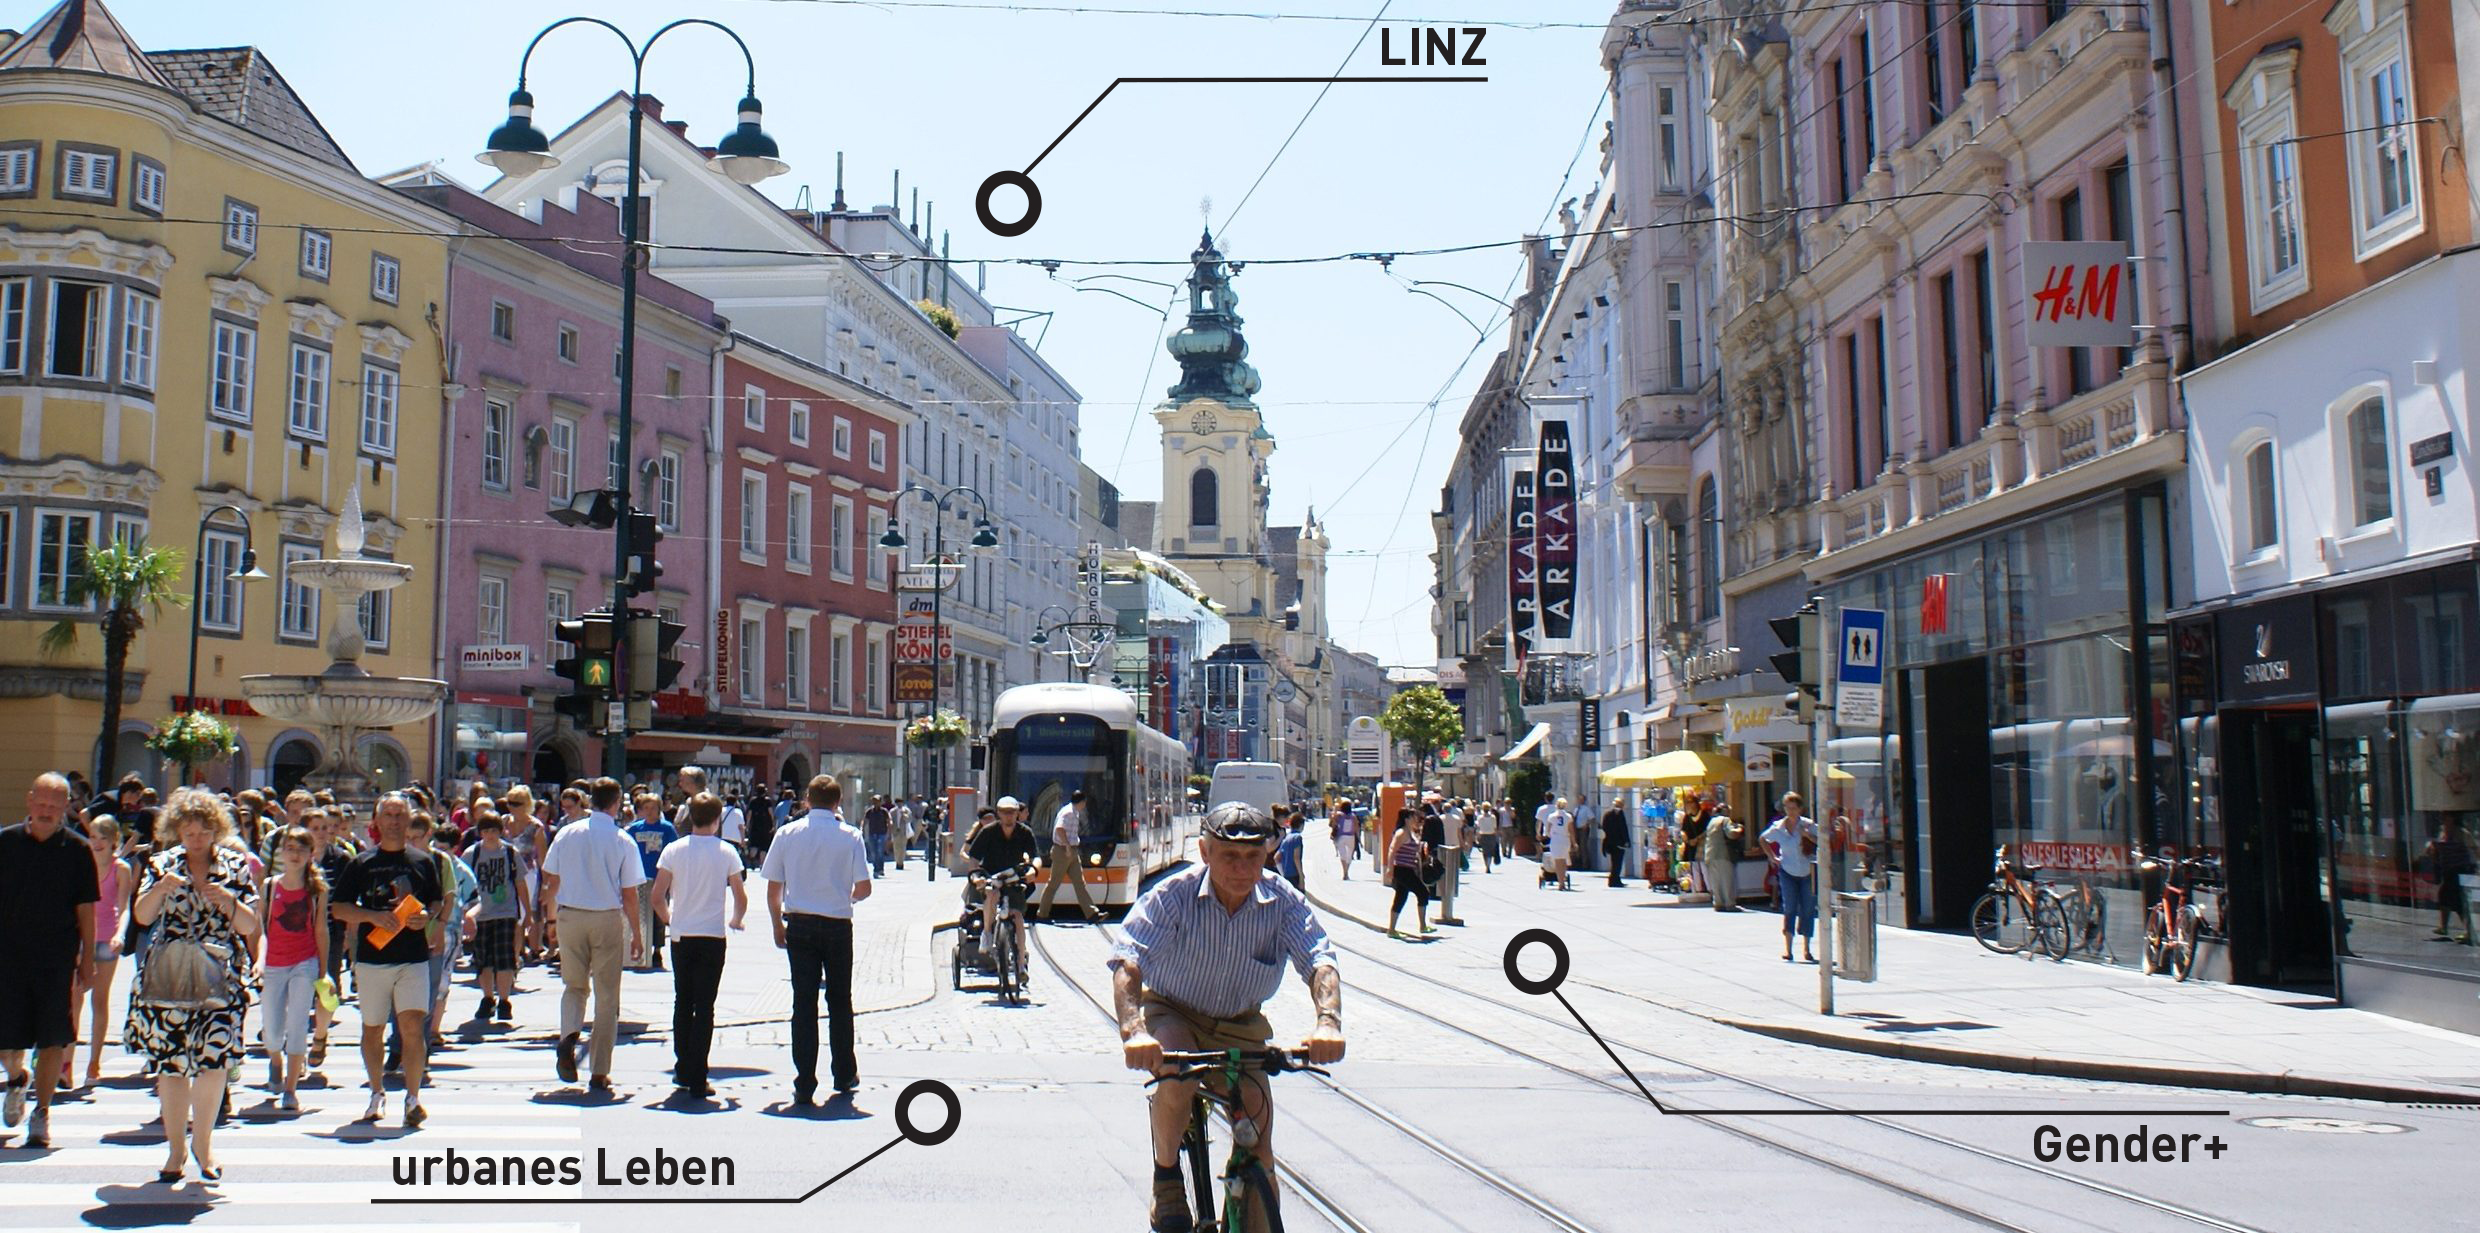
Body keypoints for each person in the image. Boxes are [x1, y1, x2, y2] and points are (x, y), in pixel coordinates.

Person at [1112, 802, 1344, 1233]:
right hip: (1175, 1008)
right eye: (1228, 856)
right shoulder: (1172, 896)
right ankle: (1166, 1178)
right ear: (1204, 852)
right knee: (1176, 1073)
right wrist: (1134, 1032)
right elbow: (1128, 959)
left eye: (1252, 857)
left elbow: (1319, 961)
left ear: (1268, 854)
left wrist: (1328, 1022)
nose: (1241, 867)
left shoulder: (1282, 901)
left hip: (1241, 1020)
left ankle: (1253, 1207)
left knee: (1258, 1132)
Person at [128, 790, 257, 1178]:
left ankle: (204, 1145)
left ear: (215, 830)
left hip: (219, 978)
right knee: (171, 1065)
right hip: (170, 976)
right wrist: (159, 889)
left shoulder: (235, 867)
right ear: (176, 831)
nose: (196, 839)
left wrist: (230, 904)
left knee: (213, 1062)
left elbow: (251, 926)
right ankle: (175, 1151)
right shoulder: (161, 864)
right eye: (188, 832)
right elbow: (141, 916)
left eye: (203, 832)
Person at [328, 794, 444, 1126]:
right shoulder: (362, 863)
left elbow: (436, 901)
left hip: (413, 958)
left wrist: (426, 917)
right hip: (372, 958)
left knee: (411, 1026)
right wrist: (371, 917)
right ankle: (376, 1093)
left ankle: (412, 1098)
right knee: (373, 1028)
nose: (394, 820)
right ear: (377, 822)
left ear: (409, 821)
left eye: (399, 814)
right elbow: (339, 908)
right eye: (388, 814)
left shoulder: (423, 861)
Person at [2, 772, 100, 1149]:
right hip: (7, 957)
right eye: (41, 805)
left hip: (56, 959)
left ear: (65, 809)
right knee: (6, 1044)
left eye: (54, 807)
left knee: (52, 1039)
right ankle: (15, 1079)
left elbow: (86, 911)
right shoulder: (5, 843)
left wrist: (87, 958)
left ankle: (41, 1113)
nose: (46, 812)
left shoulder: (76, 851)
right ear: (29, 801)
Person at [762, 775, 872, 1105]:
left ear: (807, 799)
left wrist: (776, 926)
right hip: (838, 924)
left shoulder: (787, 833)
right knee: (840, 1000)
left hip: (800, 923)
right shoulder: (850, 836)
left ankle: (805, 1080)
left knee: (803, 1003)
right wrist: (845, 897)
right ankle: (843, 1072)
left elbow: (773, 887)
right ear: (838, 802)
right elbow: (864, 887)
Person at [540, 778, 645, 1091]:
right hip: (606, 917)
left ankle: (568, 1035)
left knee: (574, 986)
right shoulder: (622, 839)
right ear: (616, 803)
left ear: (590, 801)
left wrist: (551, 918)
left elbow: (550, 877)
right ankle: (599, 1070)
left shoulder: (567, 832)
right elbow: (630, 893)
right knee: (607, 994)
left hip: (570, 914)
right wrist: (637, 934)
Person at [653, 793, 748, 1099]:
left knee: (683, 1001)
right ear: (718, 819)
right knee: (705, 1007)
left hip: (682, 936)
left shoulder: (674, 850)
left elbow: (658, 895)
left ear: (689, 817)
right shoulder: (727, 851)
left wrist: (669, 919)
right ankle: (699, 1073)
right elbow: (740, 895)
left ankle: (682, 1067)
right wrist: (736, 919)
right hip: (712, 935)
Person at [257, 825, 328, 1110]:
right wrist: (258, 960)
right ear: (281, 853)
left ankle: (290, 1088)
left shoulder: (317, 890)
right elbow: (260, 927)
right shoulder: (270, 886)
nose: (295, 855)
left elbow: (321, 930)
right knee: (272, 1030)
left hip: (304, 962)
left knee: (298, 1023)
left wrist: (324, 971)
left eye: (301, 849)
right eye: (290, 849)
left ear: (311, 854)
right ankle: (276, 1060)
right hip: (273, 963)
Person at [67, 814, 132, 1091]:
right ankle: (67, 1064)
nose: (96, 843)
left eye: (102, 838)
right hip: (82, 939)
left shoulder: (121, 869)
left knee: (100, 1000)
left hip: (107, 940)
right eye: (92, 837)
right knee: (74, 997)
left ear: (113, 840)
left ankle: (94, 1061)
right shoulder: (83, 863)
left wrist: (120, 933)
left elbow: (125, 905)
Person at [964, 796, 1039, 974]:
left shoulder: (1025, 832)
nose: (1008, 816)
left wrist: (1033, 871)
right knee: (991, 894)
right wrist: (976, 876)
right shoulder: (989, 831)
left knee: (1018, 917)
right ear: (999, 813)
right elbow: (973, 857)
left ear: (1017, 814)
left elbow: (1035, 856)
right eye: (1004, 813)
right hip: (992, 875)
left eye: (1012, 812)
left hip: (1014, 877)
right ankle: (988, 934)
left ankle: (1021, 964)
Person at [466, 813, 528, 1023]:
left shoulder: (510, 853)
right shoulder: (472, 854)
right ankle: (487, 998)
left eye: (493, 831)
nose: (490, 836)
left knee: (505, 958)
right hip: (480, 913)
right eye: (485, 831)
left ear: (500, 831)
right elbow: (462, 883)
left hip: (505, 912)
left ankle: (504, 1000)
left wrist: (527, 911)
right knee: (483, 960)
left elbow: (520, 882)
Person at [1761, 792, 1821, 961]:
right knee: (1790, 908)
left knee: (1808, 909)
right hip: (1787, 871)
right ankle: (1788, 949)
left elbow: (1823, 841)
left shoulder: (1808, 825)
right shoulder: (1778, 827)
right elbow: (1763, 839)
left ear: (1800, 808)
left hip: (1807, 871)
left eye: (1794, 808)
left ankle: (1807, 949)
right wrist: (1772, 857)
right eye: (1787, 808)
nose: (1790, 811)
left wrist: (1807, 835)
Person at [625, 793, 677, 972]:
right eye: (646, 808)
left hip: (659, 877)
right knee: (638, 912)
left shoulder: (667, 829)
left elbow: (672, 851)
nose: (649, 811)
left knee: (658, 915)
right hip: (639, 876)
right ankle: (638, 945)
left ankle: (657, 949)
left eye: (653, 808)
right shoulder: (634, 829)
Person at [1037, 788, 1102, 923]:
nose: (1085, 805)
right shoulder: (1068, 813)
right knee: (1053, 883)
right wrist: (1067, 846)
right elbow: (1059, 829)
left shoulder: (1075, 812)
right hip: (1063, 851)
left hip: (1071, 851)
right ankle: (1042, 914)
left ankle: (1092, 914)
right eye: (1084, 802)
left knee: (1079, 883)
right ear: (1081, 802)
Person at [2424, 819, 2477, 943]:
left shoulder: (2462, 833)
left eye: (2447, 819)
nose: (2445, 824)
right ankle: (2444, 927)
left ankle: (2468, 932)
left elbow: (2474, 848)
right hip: (2448, 870)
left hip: (2460, 870)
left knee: (2456, 901)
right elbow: (2434, 849)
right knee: (2445, 897)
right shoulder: (2442, 833)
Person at [1385, 806, 1433, 937]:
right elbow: (1392, 850)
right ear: (1407, 819)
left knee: (1401, 897)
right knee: (1423, 893)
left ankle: (1391, 929)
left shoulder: (1411, 832)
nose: (1415, 819)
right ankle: (1422, 926)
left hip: (1408, 868)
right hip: (1402, 869)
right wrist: (1389, 868)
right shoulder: (1401, 833)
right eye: (1413, 817)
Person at [1701, 798, 1745, 912]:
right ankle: (1730, 903)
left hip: (1710, 854)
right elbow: (1731, 834)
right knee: (1727, 880)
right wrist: (1739, 829)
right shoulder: (1725, 820)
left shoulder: (1711, 822)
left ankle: (1718, 903)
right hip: (1723, 854)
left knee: (1716, 881)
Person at [1540, 798, 1574, 891]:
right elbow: (1571, 831)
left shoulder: (1551, 816)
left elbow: (1548, 829)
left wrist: (1548, 835)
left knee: (1558, 862)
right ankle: (1563, 880)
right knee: (1564, 861)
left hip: (1555, 839)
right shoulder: (1568, 816)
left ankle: (1560, 882)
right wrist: (1574, 842)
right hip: (1565, 839)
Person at [1601, 800, 1632, 889]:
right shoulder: (1610, 814)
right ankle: (1613, 880)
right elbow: (1607, 827)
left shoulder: (1618, 814)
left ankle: (1616, 879)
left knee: (1617, 862)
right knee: (1616, 862)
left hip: (1618, 843)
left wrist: (1626, 841)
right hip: (1614, 842)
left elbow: (1624, 828)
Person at [1273, 809, 1306, 892]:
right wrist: (1301, 876)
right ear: (1301, 825)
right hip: (1295, 874)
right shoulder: (1297, 837)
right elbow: (1296, 858)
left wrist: (1283, 873)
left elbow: (1276, 857)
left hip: (1287, 875)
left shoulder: (1286, 837)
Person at [1471, 797, 1501, 872]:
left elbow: (1478, 828)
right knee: (1490, 852)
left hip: (1483, 835)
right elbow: (1495, 828)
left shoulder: (1480, 817)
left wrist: (1477, 837)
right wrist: (1497, 837)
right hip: (1491, 835)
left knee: (1485, 852)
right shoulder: (1493, 817)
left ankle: (1486, 866)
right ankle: (1489, 866)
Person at [1331, 804, 1359, 880]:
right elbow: (1356, 827)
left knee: (1342, 855)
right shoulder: (1353, 816)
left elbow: (1332, 822)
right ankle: (1346, 873)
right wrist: (1358, 837)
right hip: (1351, 836)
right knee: (1349, 855)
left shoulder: (1339, 815)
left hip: (1341, 836)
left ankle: (1345, 873)